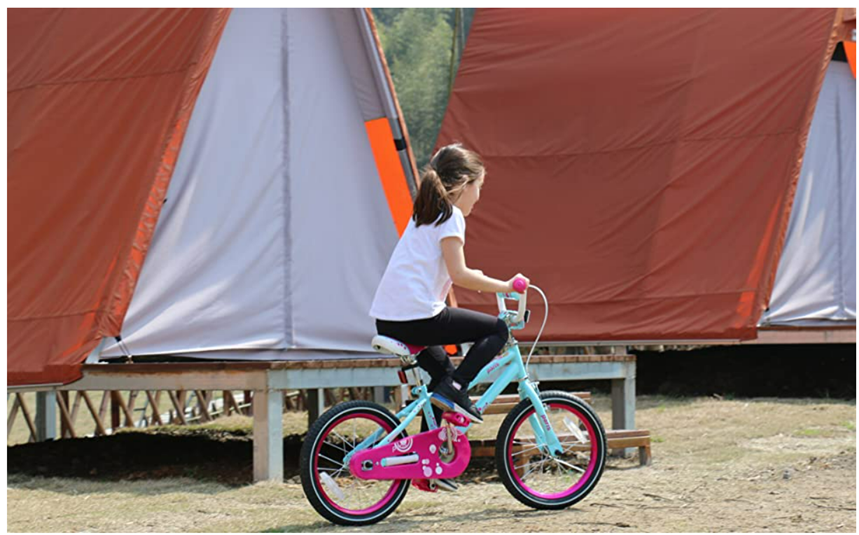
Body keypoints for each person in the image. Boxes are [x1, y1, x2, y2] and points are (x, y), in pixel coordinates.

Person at [370, 143, 529, 428]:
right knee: (497, 330)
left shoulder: (426, 214)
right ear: (465, 184)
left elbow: (446, 267)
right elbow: (460, 275)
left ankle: (427, 452)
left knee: (442, 379)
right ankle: (456, 389)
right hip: (417, 317)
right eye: (479, 187)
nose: (478, 196)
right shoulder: (451, 215)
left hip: (390, 319)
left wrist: (478, 277)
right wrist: (506, 286)